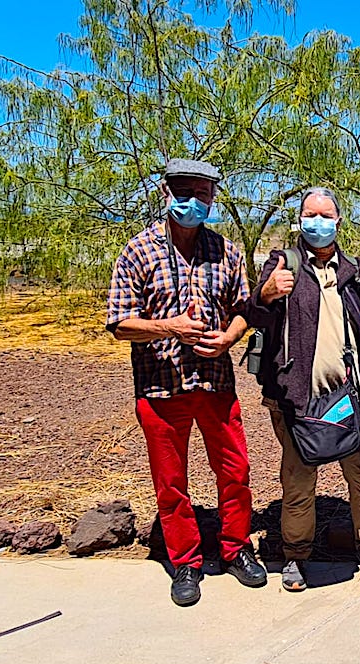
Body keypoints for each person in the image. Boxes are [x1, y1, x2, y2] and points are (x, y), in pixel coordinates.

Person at [106, 158, 266, 607]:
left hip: (215, 383)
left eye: (202, 193)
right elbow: (119, 324)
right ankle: (186, 561)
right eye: (183, 192)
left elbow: (244, 310)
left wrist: (229, 338)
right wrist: (170, 327)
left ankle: (236, 548)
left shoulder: (226, 251)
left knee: (235, 472)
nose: (193, 202)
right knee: (171, 481)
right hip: (160, 388)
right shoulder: (138, 252)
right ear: (165, 193)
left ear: (213, 198)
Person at [245, 186, 360, 592]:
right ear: (299, 221)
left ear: (338, 222)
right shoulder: (282, 263)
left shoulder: (353, 270)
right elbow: (254, 313)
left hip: (347, 397)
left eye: (325, 215)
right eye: (310, 215)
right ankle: (296, 554)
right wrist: (266, 294)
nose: (317, 222)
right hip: (295, 398)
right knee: (299, 479)